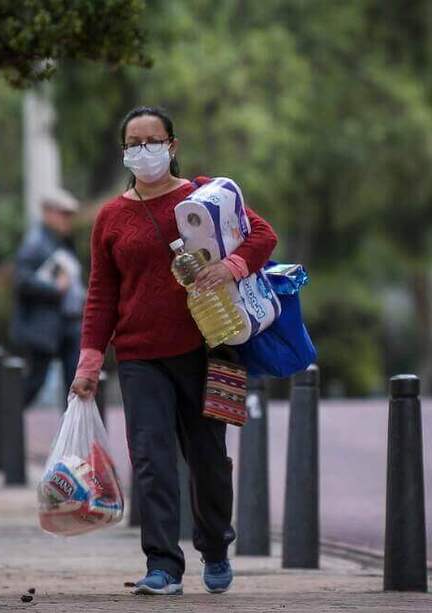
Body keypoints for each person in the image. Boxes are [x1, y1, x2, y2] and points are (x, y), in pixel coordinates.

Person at [70, 106, 277, 596]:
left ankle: (215, 545)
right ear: (124, 152)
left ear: (173, 145)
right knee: (150, 457)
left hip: (208, 348)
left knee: (208, 458)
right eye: (134, 144)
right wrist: (90, 362)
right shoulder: (111, 217)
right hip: (140, 355)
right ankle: (162, 565)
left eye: (153, 140)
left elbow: (263, 236)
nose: (144, 151)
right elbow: (102, 294)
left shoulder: (205, 198)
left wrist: (232, 266)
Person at [10, 187, 86, 408]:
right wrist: (55, 288)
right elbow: (22, 282)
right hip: (45, 327)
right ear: (48, 212)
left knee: (74, 384)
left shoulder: (61, 242)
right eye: (63, 214)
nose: (67, 220)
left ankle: (69, 438)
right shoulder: (35, 243)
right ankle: (5, 424)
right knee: (34, 382)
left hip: (68, 323)